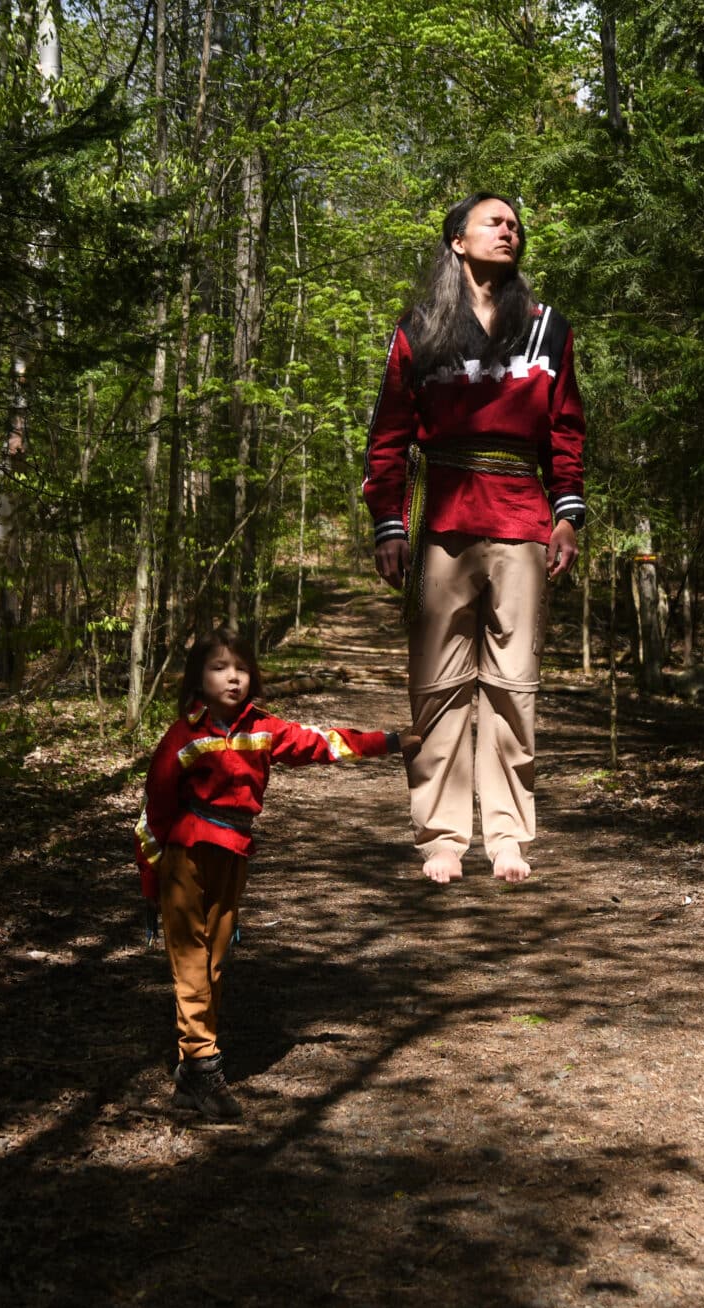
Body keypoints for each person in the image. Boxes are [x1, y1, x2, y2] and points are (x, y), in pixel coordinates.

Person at [363, 192, 585, 885]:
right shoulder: (420, 328)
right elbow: (390, 435)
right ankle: (442, 835)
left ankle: (510, 836)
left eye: (515, 224)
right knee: (438, 685)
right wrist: (390, 525)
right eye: (494, 221)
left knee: (513, 684)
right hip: (445, 522)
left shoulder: (548, 330)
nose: (509, 230)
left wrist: (568, 514)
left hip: (522, 521)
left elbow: (567, 430)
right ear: (456, 241)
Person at [135, 628, 419, 1119]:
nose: (232, 678)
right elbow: (155, 809)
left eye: (241, 669)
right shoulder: (184, 736)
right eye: (219, 668)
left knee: (214, 961)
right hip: (184, 853)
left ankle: (188, 1074)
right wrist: (153, 876)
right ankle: (204, 1066)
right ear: (198, 680)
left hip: (233, 853)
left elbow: (323, 743)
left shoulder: (262, 729)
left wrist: (390, 742)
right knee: (190, 960)